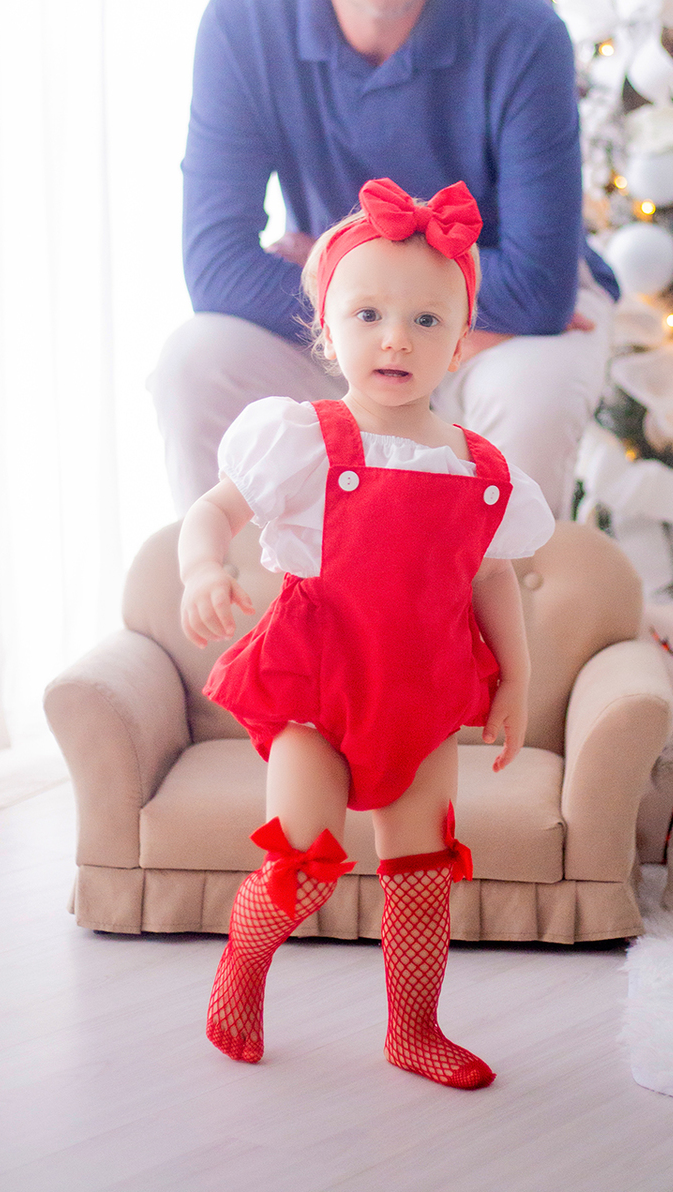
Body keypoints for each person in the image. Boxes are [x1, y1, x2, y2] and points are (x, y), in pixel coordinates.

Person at [150, 0, 617, 518]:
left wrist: (359, 284)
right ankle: (242, 615)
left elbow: (539, 287)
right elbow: (214, 270)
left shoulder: (525, 31)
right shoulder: (241, 25)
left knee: (537, 390)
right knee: (195, 361)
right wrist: (371, 309)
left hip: (492, 329)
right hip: (354, 315)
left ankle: (502, 628)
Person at [178, 178, 554, 1088]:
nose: (398, 337)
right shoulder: (301, 439)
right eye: (371, 313)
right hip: (315, 683)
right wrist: (203, 569)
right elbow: (213, 511)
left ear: (460, 342)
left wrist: (515, 679)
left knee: (422, 865)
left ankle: (413, 1028)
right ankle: (243, 964)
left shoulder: (481, 468)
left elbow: (492, 574)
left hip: (418, 688)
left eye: (429, 322)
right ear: (326, 327)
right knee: (303, 856)